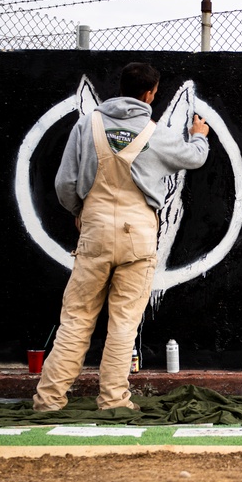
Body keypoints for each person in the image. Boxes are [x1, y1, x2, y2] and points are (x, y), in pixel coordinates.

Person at [33, 62, 209, 411]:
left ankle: (48, 401)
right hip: (138, 235)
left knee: (77, 319)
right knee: (124, 323)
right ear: (150, 94)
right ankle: (113, 400)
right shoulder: (156, 133)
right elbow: (194, 158)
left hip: (95, 230)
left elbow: (64, 184)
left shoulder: (87, 124)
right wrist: (199, 134)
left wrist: (80, 213)